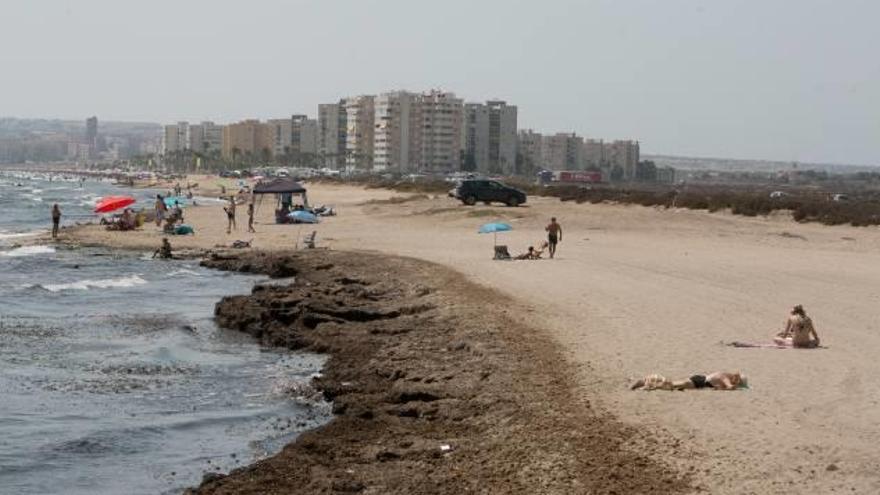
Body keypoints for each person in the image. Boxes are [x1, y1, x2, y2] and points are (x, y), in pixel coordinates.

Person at [630, 371, 747, 391]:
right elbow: (729, 387)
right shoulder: (725, 377)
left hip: (699, 380)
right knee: (671, 384)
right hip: (698, 382)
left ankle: (646, 382)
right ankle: (646, 382)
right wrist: (737, 387)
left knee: (672, 385)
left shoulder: (724, 374)